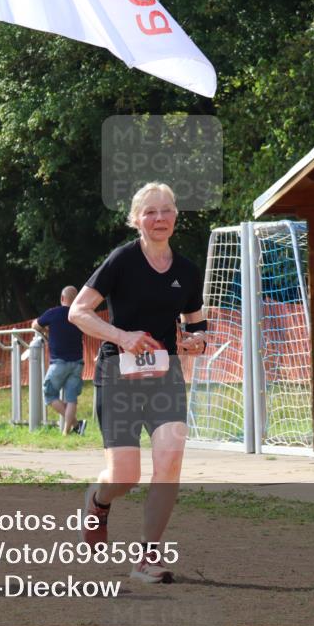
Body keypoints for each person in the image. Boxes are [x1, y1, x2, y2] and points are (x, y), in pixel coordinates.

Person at [69, 182, 207, 583]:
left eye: (166, 211)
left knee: (170, 460)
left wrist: (197, 342)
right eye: (150, 212)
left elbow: (195, 324)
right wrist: (123, 337)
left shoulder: (186, 270)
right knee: (124, 476)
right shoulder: (121, 261)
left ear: (176, 217)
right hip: (119, 375)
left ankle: (147, 557)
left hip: (165, 374)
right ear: (136, 219)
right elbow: (79, 311)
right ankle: (98, 501)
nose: (159, 218)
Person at [32, 286, 87, 435]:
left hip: (59, 363)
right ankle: (68, 431)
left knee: (49, 395)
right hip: (77, 363)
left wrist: (46, 331)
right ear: (76, 299)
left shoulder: (53, 313)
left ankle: (76, 425)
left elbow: (35, 325)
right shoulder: (80, 315)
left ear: (62, 298)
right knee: (71, 398)